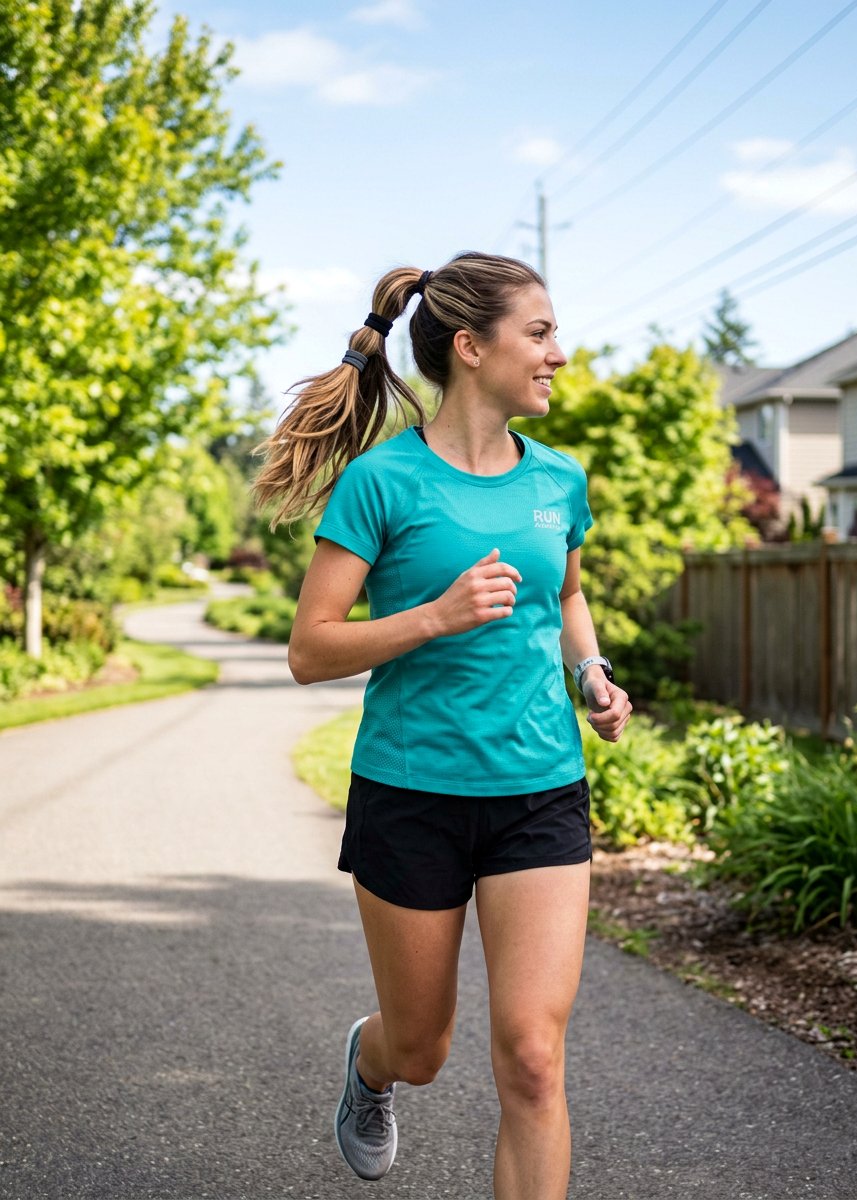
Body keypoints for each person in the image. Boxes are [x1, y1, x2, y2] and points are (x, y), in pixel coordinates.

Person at [253, 251, 631, 1199]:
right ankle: (372, 1069)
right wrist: (434, 616)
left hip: (540, 794)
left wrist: (591, 672)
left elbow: (567, 597)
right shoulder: (383, 483)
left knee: (534, 1060)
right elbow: (310, 649)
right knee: (422, 1047)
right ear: (471, 347)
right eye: (538, 334)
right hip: (411, 794)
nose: (558, 354)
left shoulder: (559, 481)